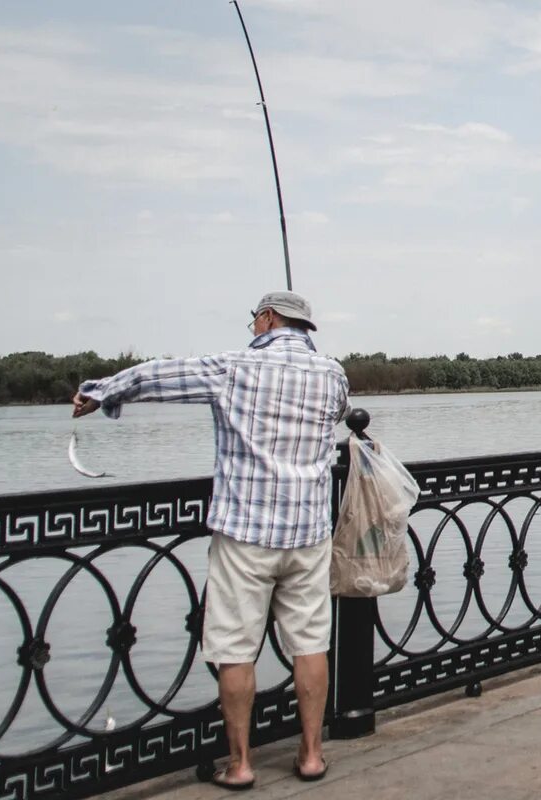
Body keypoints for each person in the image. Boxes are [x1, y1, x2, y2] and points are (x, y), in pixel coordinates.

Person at [72, 291, 350, 790]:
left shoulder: (234, 368)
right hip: (309, 533)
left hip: (246, 534)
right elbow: (337, 417)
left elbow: (159, 376)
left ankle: (241, 765)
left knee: (236, 648)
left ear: (267, 318)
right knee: (311, 645)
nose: (252, 328)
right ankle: (311, 755)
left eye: (254, 320)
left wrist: (102, 391)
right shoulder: (333, 373)